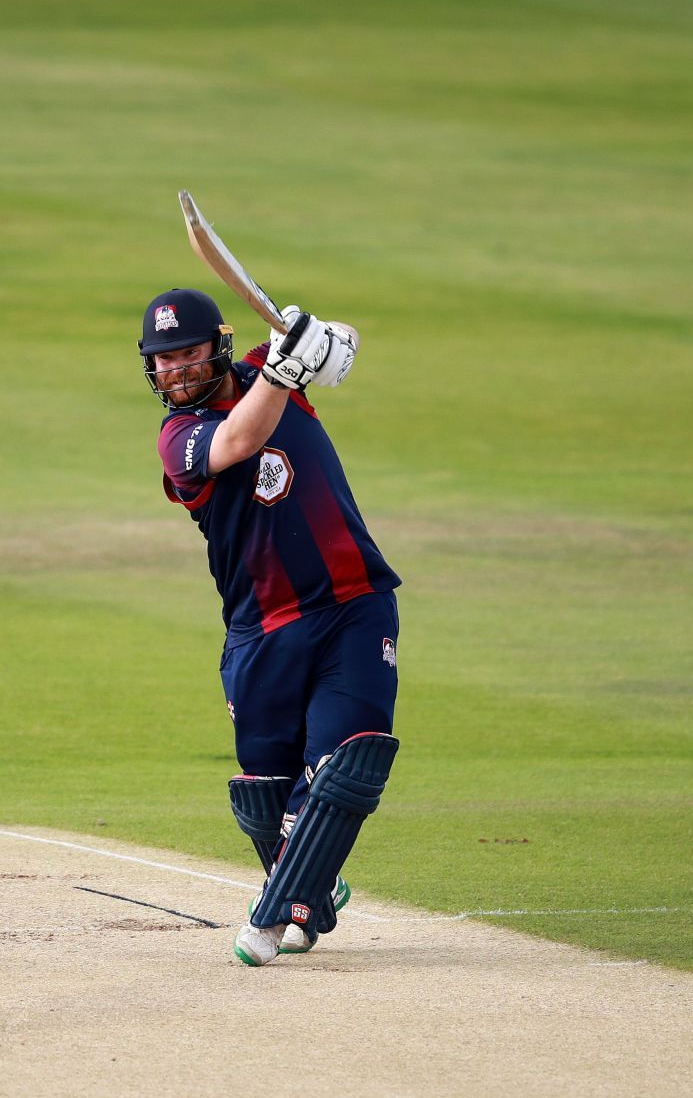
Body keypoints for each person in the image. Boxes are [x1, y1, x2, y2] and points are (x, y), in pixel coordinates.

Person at [139, 287, 402, 967]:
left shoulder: (265, 368)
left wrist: (318, 338)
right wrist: (289, 367)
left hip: (352, 602)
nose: (177, 371)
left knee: (348, 763)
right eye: (163, 361)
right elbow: (241, 437)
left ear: (220, 346)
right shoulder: (179, 439)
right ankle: (309, 890)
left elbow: (341, 340)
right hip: (262, 631)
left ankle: (270, 915)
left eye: (189, 354)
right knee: (266, 798)